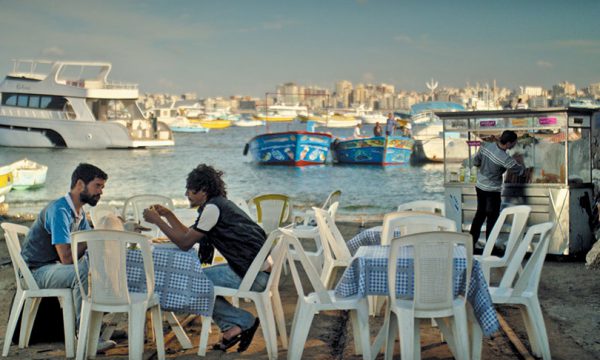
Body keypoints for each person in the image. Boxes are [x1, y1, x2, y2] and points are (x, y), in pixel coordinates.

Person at [143, 164, 266, 353]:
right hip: (256, 271)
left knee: (191, 281)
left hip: (254, 275)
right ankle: (232, 326)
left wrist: (158, 221)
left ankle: (241, 321)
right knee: (195, 280)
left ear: (203, 190)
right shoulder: (218, 205)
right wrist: (168, 215)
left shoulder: (213, 209)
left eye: (190, 189)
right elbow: (189, 235)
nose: (186, 194)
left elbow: (184, 243)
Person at [19, 163, 115, 352]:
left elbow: (89, 245)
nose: (101, 192)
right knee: (84, 272)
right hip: (35, 272)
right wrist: (96, 236)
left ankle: (96, 326)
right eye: (97, 186)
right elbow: (66, 258)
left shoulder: (79, 213)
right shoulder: (60, 210)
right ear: (80, 184)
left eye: (102, 187)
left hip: (53, 268)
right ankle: (86, 337)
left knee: (103, 267)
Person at [469, 130, 527, 247]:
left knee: (480, 215)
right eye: (514, 143)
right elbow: (520, 171)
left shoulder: (486, 146)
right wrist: (525, 165)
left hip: (480, 186)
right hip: (492, 191)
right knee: (492, 218)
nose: (515, 145)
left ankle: (470, 243)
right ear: (509, 143)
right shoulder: (504, 158)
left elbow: (476, 161)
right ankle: (490, 247)